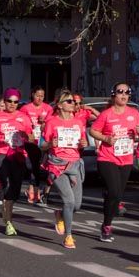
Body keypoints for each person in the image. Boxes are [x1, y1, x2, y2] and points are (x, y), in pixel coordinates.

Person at [88, 83, 139, 242]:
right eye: (120, 92)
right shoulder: (106, 114)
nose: (124, 94)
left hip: (126, 158)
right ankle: (106, 226)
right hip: (107, 157)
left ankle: (109, 198)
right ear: (114, 95)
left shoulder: (134, 114)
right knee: (113, 192)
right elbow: (93, 130)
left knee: (117, 195)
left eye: (127, 92)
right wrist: (106, 138)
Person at [0, 88, 34, 236]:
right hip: (1, 153)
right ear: (4, 101)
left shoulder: (23, 117)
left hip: (18, 153)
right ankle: (8, 222)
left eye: (15, 102)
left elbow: (31, 137)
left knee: (15, 188)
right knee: (4, 182)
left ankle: (7, 213)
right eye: (9, 101)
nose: (12, 104)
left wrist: (25, 135)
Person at [43, 92, 86, 248]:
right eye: (69, 101)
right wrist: (50, 144)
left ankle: (60, 214)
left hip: (74, 164)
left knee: (77, 205)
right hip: (57, 165)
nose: (73, 103)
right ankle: (68, 236)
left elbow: (83, 142)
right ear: (60, 105)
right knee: (69, 201)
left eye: (74, 101)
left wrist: (83, 143)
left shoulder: (79, 122)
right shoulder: (52, 122)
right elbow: (42, 144)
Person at [21, 86, 52, 204]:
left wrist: (44, 122)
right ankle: (34, 190)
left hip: (43, 141)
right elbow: (21, 122)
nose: (40, 98)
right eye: (37, 95)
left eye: (42, 96)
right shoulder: (25, 108)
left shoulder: (48, 108)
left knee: (39, 168)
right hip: (31, 141)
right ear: (32, 95)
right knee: (33, 166)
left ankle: (33, 190)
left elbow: (51, 123)